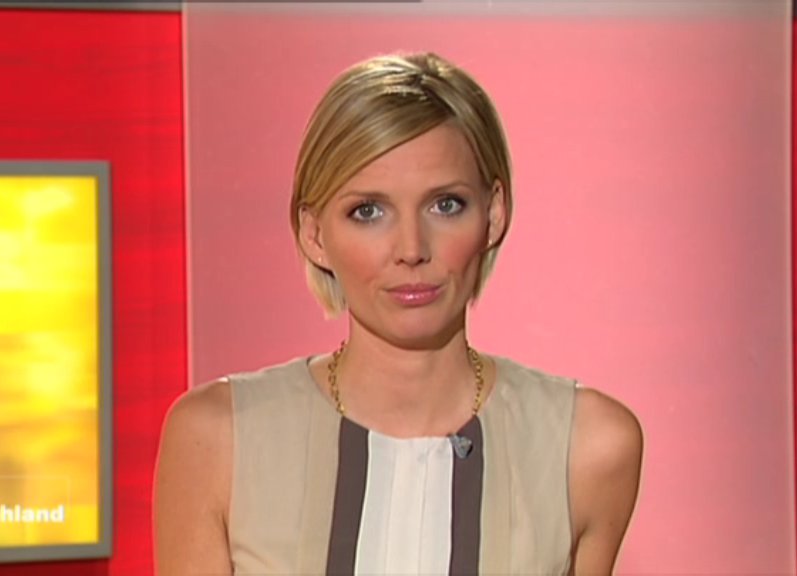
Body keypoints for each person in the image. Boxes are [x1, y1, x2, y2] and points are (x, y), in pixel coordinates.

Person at [154, 51, 643, 575]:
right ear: (314, 234)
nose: (411, 248)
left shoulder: (586, 446)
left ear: (495, 213)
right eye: (368, 211)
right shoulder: (218, 441)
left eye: (445, 205)